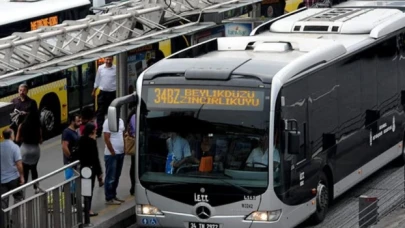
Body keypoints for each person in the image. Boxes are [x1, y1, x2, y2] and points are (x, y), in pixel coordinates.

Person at [78, 123, 103, 217]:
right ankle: (88, 210)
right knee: (90, 190)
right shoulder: (92, 142)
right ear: (92, 131)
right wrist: (99, 173)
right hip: (91, 169)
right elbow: (95, 158)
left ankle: (86, 207)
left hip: (83, 168)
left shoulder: (81, 140)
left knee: (85, 190)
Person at [15, 110, 42, 194]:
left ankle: (23, 189)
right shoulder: (38, 127)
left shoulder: (22, 126)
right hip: (35, 150)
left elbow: (17, 139)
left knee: (25, 171)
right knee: (34, 169)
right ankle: (36, 187)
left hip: (24, 150)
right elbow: (41, 140)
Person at [103, 117, 125, 205]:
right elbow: (106, 137)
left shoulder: (121, 121)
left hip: (121, 153)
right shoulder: (108, 122)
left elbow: (122, 135)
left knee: (117, 175)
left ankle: (114, 195)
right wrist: (112, 151)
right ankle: (109, 197)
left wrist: (124, 148)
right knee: (110, 177)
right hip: (111, 154)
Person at [92, 56, 116, 137]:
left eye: (110, 59)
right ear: (104, 59)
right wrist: (94, 90)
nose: (108, 61)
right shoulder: (100, 68)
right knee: (100, 113)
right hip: (103, 93)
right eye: (107, 59)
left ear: (112, 59)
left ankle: (112, 130)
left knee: (112, 112)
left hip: (113, 93)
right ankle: (99, 131)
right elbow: (97, 80)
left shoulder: (116, 68)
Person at [0, 128, 24, 209]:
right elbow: (19, 164)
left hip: (2, 180)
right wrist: (22, 177)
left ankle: (5, 220)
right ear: (11, 136)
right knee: (18, 198)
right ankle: (15, 217)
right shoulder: (15, 147)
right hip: (14, 179)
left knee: (3, 202)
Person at [61, 114, 81, 179]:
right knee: (70, 184)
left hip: (76, 162)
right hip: (70, 164)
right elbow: (64, 146)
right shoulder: (67, 132)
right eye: (78, 121)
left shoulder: (76, 131)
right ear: (72, 122)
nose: (80, 123)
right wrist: (70, 157)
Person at [127, 108, 136, 196]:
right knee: (134, 166)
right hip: (136, 144)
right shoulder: (134, 117)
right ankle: (133, 186)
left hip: (137, 143)